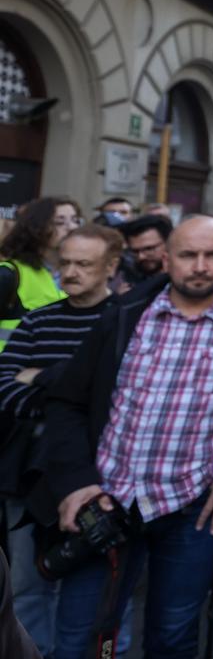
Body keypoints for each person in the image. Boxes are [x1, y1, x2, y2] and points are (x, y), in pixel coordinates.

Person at [44, 215, 213, 659]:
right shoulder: (124, 316)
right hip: (107, 500)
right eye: (187, 255)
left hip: (194, 510)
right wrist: (75, 481)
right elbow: (67, 401)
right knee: (79, 638)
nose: (200, 266)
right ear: (166, 259)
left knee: (173, 637)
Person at [0, 224, 123, 655]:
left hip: (100, 474)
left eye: (83, 264)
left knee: (96, 592)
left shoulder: (126, 322)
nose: (70, 272)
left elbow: (119, 397)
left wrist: (46, 379)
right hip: (32, 473)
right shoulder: (38, 321)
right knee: (27, 586)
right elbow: (5, 388)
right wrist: (73, 399)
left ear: (111, 267)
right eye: (65, 263)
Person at [0, 197, 77, 351]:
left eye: (76, 220)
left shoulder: (81, 274)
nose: (72, 228)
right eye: (59, 222)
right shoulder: (9, 274)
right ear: (36, 228)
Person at [111, 212, 171, 294]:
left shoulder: (187, 279)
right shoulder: (127, 278)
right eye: (135, 251)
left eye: (149, 249)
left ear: (169, 242)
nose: (141, 257)